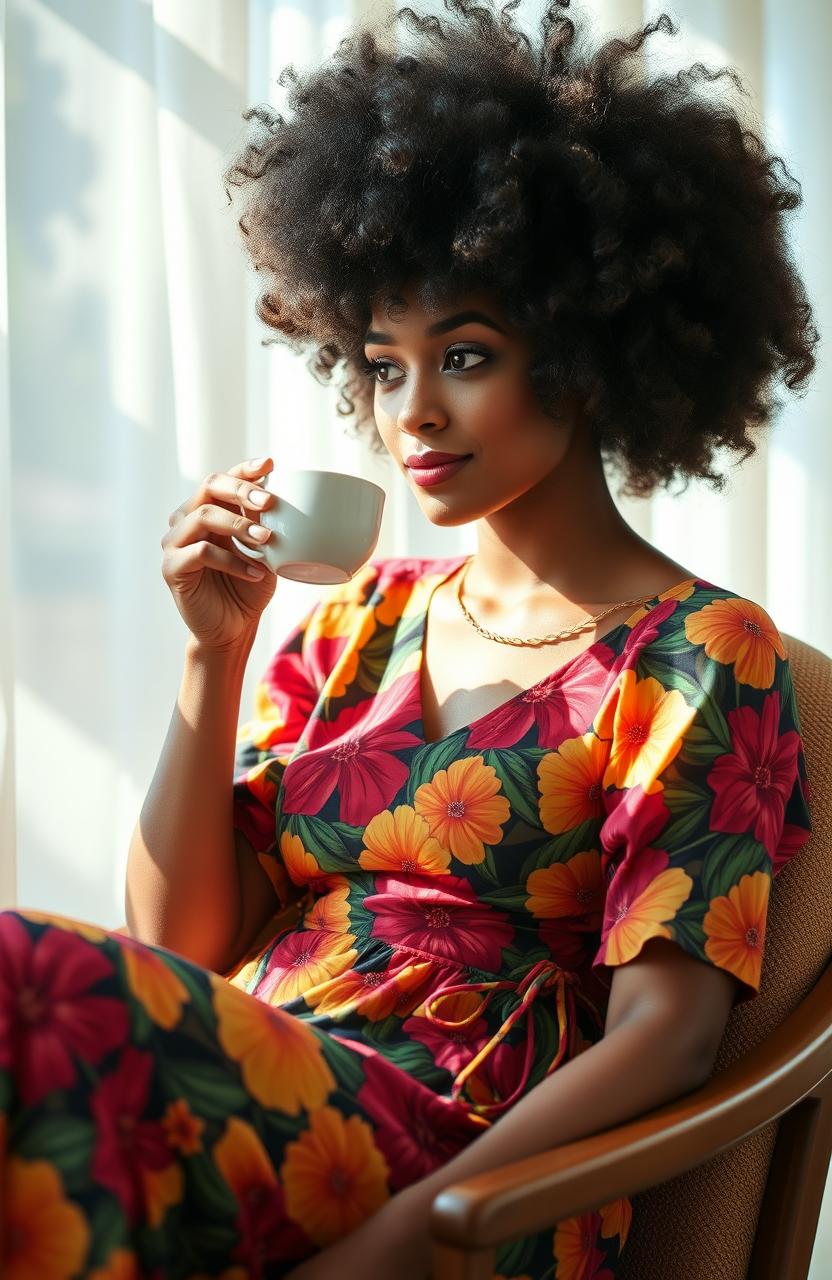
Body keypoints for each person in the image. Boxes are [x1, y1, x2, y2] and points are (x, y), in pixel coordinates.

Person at [0, 2, 816, 1278]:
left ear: (593, 351)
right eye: (382, 365)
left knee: (19, 984)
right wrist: (214, 652)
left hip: (466, 1154)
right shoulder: (353, 621)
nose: (414, 411)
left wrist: (414, 1230)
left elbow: (670, 1033)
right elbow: (183, 945)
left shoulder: (699, 651)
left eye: (468, 353)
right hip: (255, 1089)